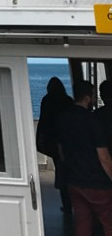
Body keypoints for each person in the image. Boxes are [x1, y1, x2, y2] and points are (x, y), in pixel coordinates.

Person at [56, 79, 112, 235]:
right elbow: (104, 158)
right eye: (93, 95)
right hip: (97, 183)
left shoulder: (63, 118)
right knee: (109, 222)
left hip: (74, 181)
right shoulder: (93, 121)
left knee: (82, 223)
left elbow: (61, 151)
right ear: (88, 97)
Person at [37, 76, 74, 213]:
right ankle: (75, 201)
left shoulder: (47, 100)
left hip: (53, 141)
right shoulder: (68, 100)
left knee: (61, 170)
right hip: (69, 140)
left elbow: (44, 121)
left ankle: (66, 204)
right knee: (73, 171)